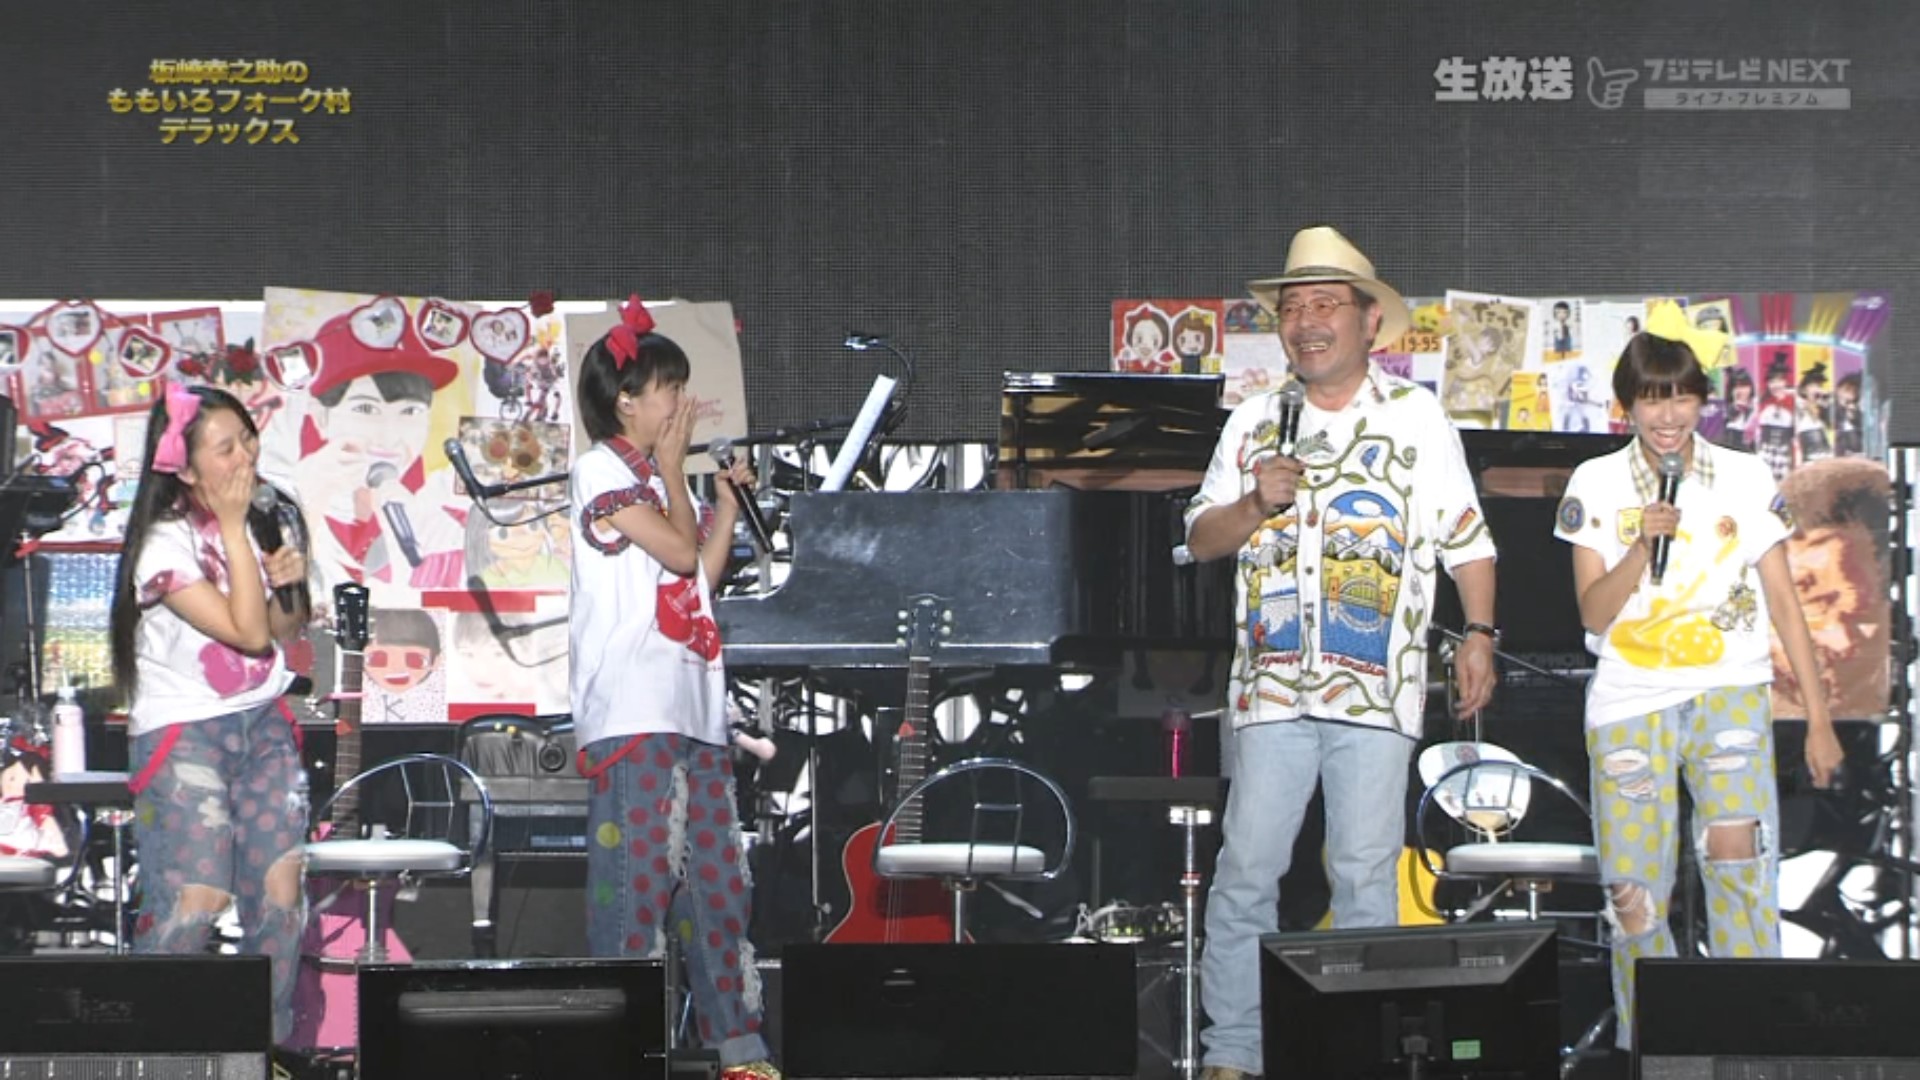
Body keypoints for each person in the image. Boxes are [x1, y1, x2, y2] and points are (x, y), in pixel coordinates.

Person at [1186, 227, 1499, 1080]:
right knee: (1247, 870)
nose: (1307, 322)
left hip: (1376, 688)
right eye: (1293, 308)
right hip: (1269, 689)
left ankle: (1362, 1052)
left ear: (1370, 322)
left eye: (1326, 305)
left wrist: (1479, 634)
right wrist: (1254, 502)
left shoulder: (1416, 417)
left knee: (1364, 872)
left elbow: (1468, 540)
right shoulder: (1254, 420)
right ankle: (1233, 1054)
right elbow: (1202, 539)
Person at [1550, 302, 1841, 1048]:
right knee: (1634, 894)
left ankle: (1753, 1046)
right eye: (1653, 398)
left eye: (1681, 396)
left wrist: (1818, 720)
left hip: (1728, 695)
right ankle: (1652, 1049)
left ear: (1702, 401)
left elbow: (1784, 603)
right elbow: (1593, 612)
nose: (1668, 415)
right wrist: (1639, 546)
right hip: (1629, 701)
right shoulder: (1596, 481)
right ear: (1628, 405)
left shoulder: (1744, 475)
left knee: (1742, 872)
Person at [567, 296, 776, 1080]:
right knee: (637, 894)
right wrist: (672, 473)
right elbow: (680, 556)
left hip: (694, 712)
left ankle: (741, 1054)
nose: (683, 404)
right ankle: (620, 1055)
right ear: (627, 399)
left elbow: (700, 579)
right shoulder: (599, 469)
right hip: (636, 713)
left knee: (719, 894)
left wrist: (721, 502)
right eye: (670, 389)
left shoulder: (659, 481)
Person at [108, 383, 311, 1043]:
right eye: (226, 449)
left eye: (249, 440)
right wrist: (231, 525)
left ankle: (265, 1048)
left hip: (264, 722)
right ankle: (147, 1051)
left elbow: (279, 631)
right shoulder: (162, 545)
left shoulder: (262, 516)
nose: (246, 458)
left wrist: (288, 581)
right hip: (185, 732)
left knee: (281, 899)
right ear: (187, 469)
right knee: (196, 901)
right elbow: (244, 633)